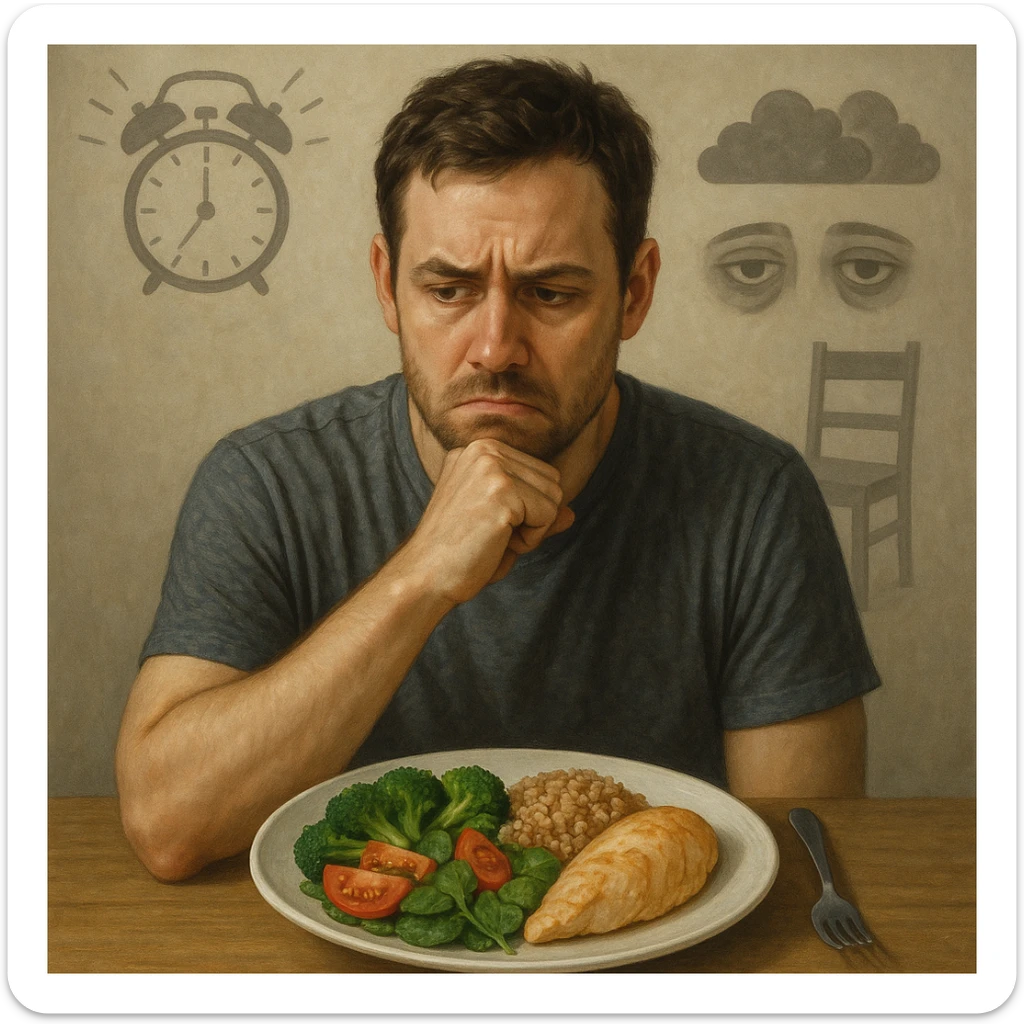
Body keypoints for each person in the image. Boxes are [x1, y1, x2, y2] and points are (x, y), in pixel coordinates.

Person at [115, 57, 881, 882]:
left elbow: (806, 861)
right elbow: (169, 826)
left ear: (634, 290)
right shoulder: (263, 483)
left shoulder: (754, 499)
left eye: (551, 294)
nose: (494, 349)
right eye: (448, 289)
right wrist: (422, 576)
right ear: (387, 286)